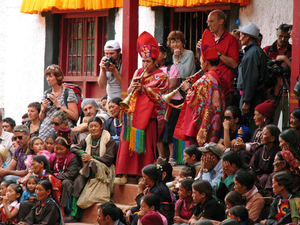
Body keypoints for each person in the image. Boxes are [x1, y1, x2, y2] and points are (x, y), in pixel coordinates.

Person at [115, 31, 169, 184]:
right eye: (143, 62)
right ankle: (123, 174)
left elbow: (161, 98)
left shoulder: (162, 76)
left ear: (155, 61)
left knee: (145, 145)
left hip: (149, 116)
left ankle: (143, 176)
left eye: (148, 62)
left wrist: (144, 89)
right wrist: (132, 85)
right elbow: (129, 91)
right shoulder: (138, 72)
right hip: (132, 113)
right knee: (127, 143)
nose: (145, 65)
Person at [174, 29, 226, 146]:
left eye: (201, 60)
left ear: (206, 63)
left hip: (204, 122)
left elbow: (195, 101)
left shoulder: (205, 80)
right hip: (216, 119)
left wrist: (188, 88)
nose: (200, 63)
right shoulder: (218, 75)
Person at [69, 116, 117, 222]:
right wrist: (82, 153)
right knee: (77, 181)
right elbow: (73, 147)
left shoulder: (109, 140)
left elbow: (108, 159)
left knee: (90, 164)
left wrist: (92, 158)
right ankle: (73, 214)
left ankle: (75, 215)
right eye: (91, 126)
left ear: (102, 127)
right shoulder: (87, 139)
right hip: (89, 170)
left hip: (105, 168)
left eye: (96, 126)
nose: (93, 129)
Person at [237, 22, 267, 132]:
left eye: (241, 35)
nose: (240, 38)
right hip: (253, 96)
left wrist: (247, 101)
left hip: (252, 98)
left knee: (252, 127)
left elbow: (250, 79)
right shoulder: (253, 51)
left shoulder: (252, 54)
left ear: (247, 36)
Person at [156, 43, 182, 165]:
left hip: (172, 102)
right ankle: (161, 156)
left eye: (157, 53)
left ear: (165, 54)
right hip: (156, 102)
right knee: (158, 130)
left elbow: (171, 87)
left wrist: (155, 90)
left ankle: (172, 157)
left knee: (170, 129)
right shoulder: (152, 69)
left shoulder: (172, 68)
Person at [206, 9, 239, 103]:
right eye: (208, 22)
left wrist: (218, 53)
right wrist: (198, 50)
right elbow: (204, 63)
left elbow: (234, 64)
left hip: (225, 89)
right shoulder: (209, 38)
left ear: (221, 21)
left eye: (211, 21)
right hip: (210, 85)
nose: (209, 24)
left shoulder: (231, 39)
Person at [39, 64, 79, 140]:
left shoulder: (68, 92)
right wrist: (43, 108)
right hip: (45, 132)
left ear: (58, 77)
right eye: (47, 77)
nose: (48, 79)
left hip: (61, 131)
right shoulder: (47, 93)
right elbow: (41, 118)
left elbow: (75, 115)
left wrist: (58, 105)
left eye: (50, 76)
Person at [18, 155, 62, 221]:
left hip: (48, 204)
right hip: (38, 201)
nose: (32, 167)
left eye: (33, 165)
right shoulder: (36, 177)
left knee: (26, 205)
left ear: (41, 164)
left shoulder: (49, 178)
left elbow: (54, 196)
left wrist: (36, 198)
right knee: (24, 204)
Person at [263, 24, 292, 127]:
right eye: (280, 36)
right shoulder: (267, 50)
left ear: (290, 37)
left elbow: (296, 70)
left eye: (286, 37)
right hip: (271, 92)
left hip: (288, 93)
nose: (283, 39)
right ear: (276, 35)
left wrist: (285, 60)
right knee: (271, 124)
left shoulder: (294, 51)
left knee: (288, 125)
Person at [49, 127, 81, 216]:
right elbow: (48, 170)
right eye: (56, 148)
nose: (58, 151)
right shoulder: (52, 157)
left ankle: (64, 210)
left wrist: (55, 176)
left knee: (66, 183)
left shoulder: (73, 157)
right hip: (56, 177)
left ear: (68, 149)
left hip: (69, 180)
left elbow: (72, 174)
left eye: (61, 149)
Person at [234, 100, 276, 164]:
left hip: (261, 158)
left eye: (256, 115)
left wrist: (245, 146)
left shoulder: (270, 131)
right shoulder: (257, 130)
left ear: (265, 118)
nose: (254, 118)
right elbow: (252, 143)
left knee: (243, 154)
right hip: (254, 155)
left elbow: (261, 147)